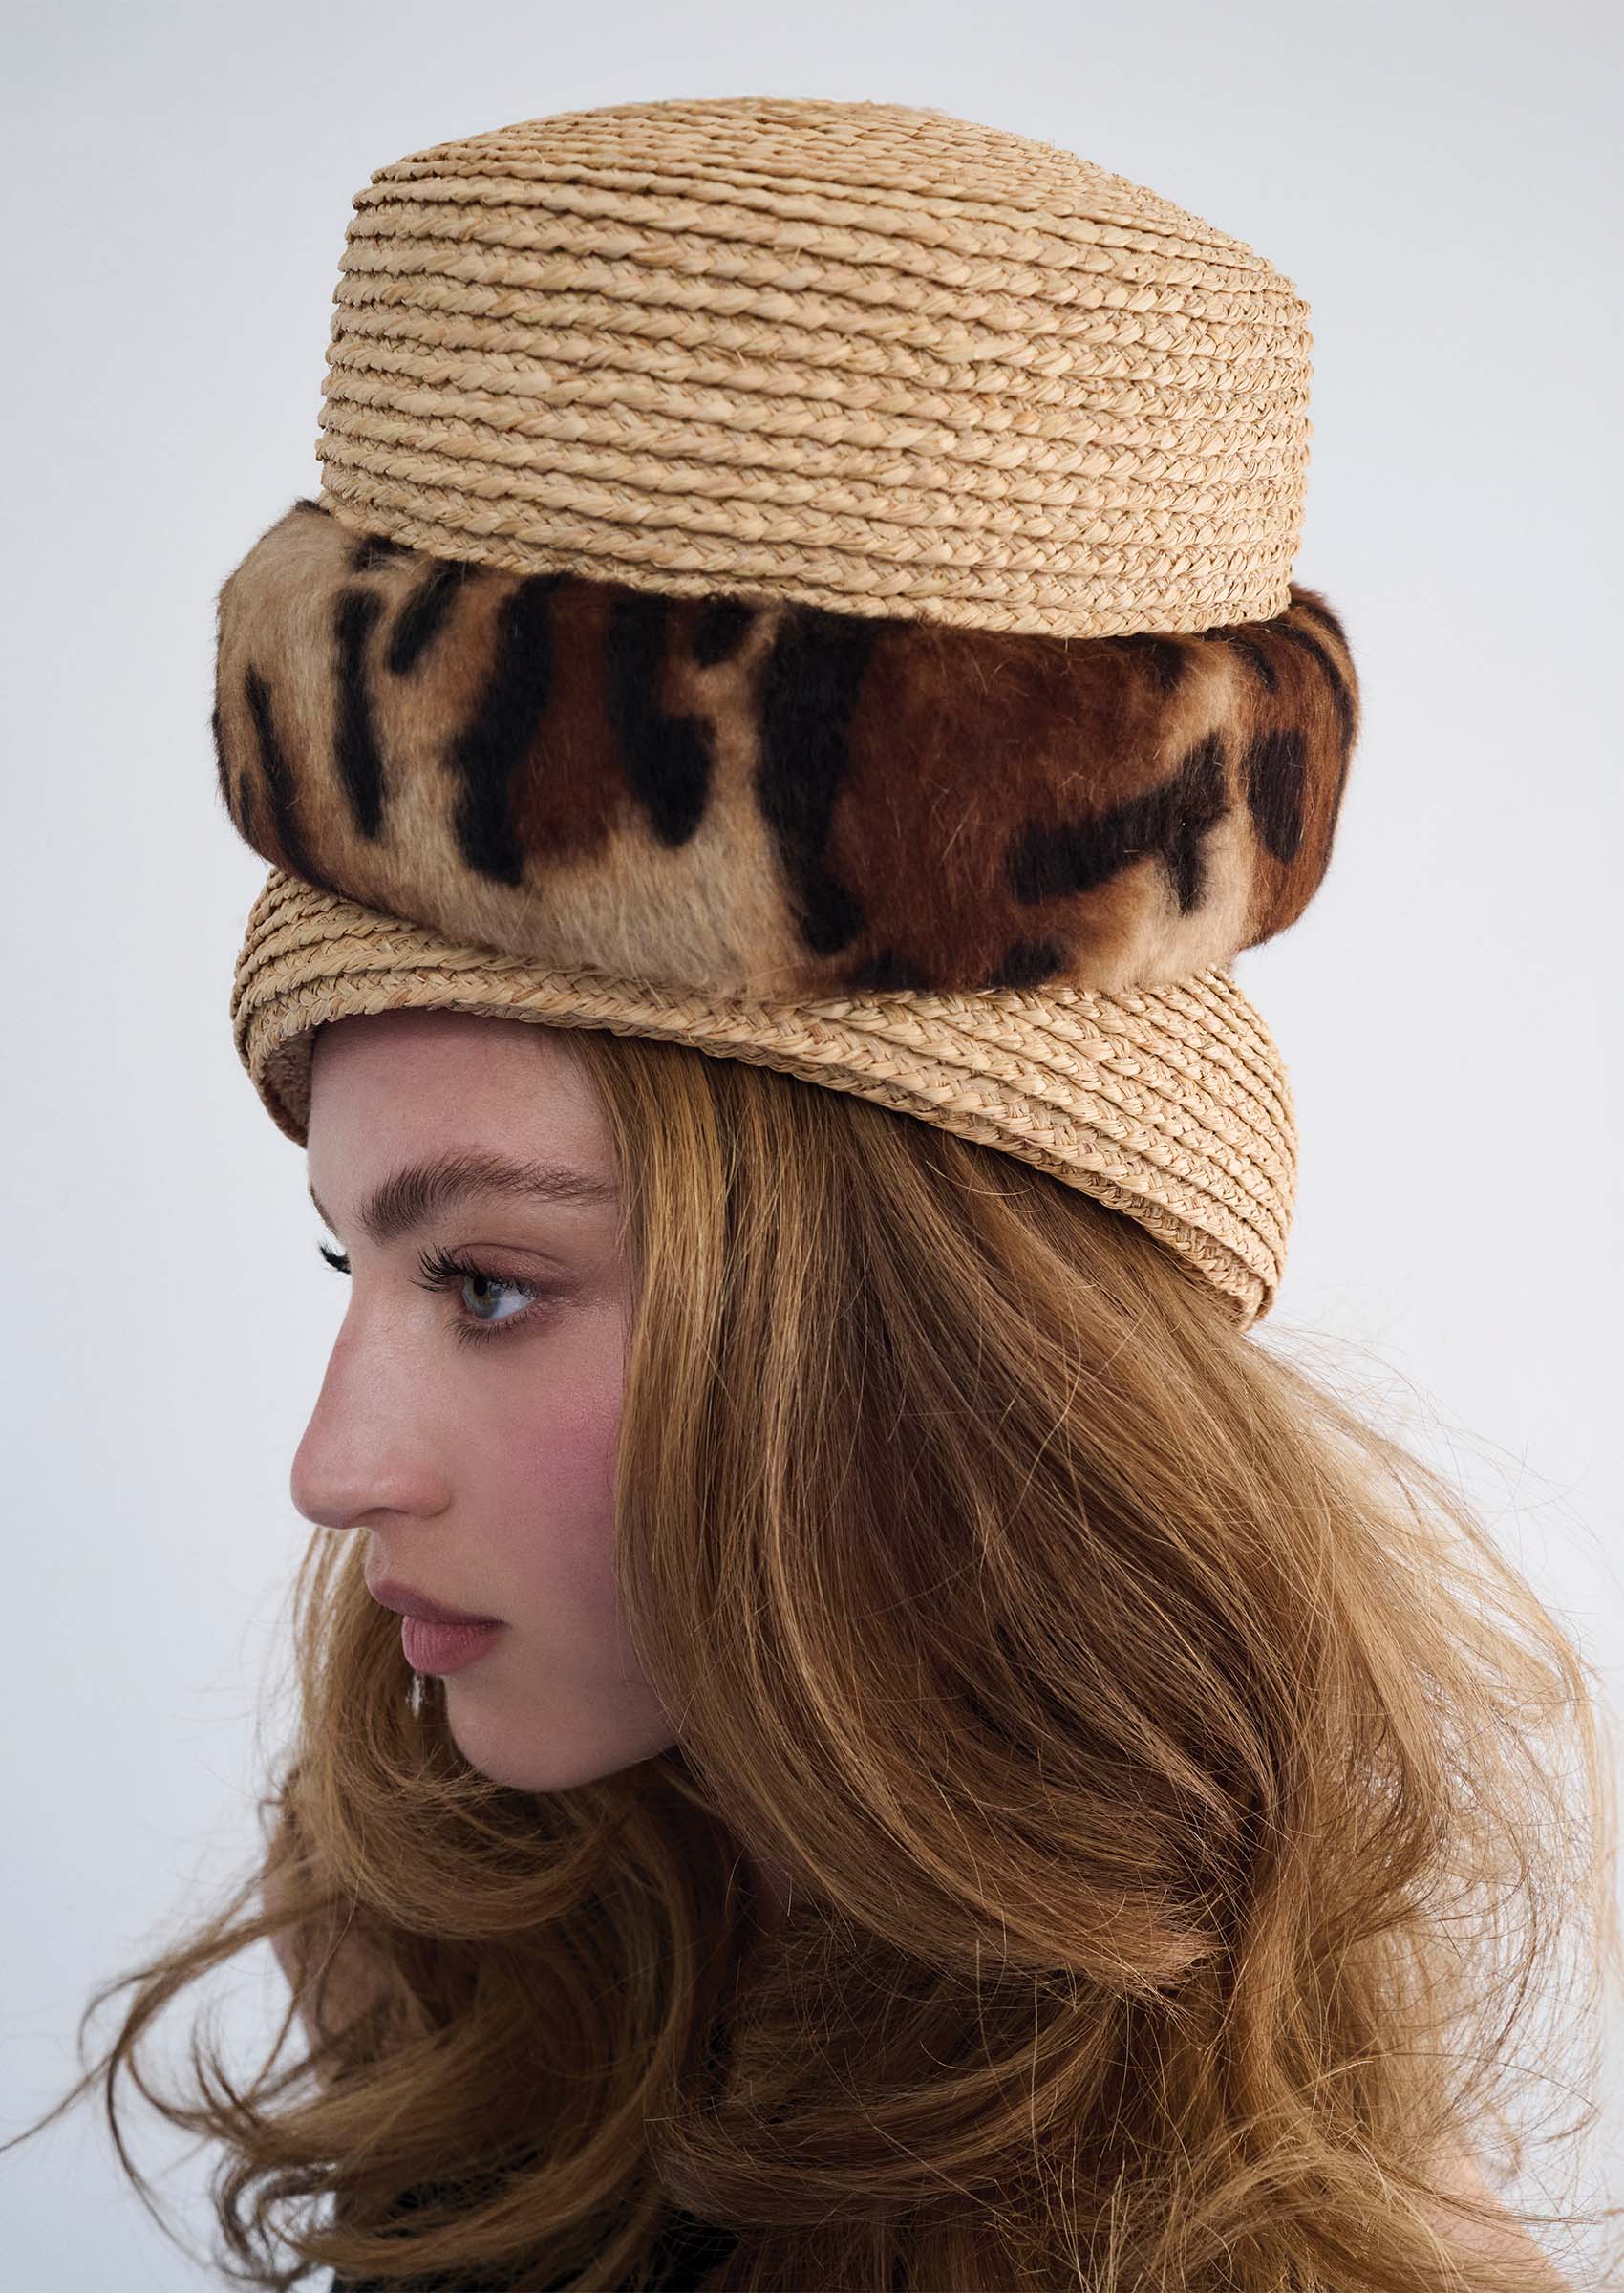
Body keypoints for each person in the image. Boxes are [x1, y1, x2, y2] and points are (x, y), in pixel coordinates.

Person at [10, 95, 1616, 2291]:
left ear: (914, 1336)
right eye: (345, 1253)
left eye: (485, 1283)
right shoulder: (550, 1943)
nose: (330, 1464)